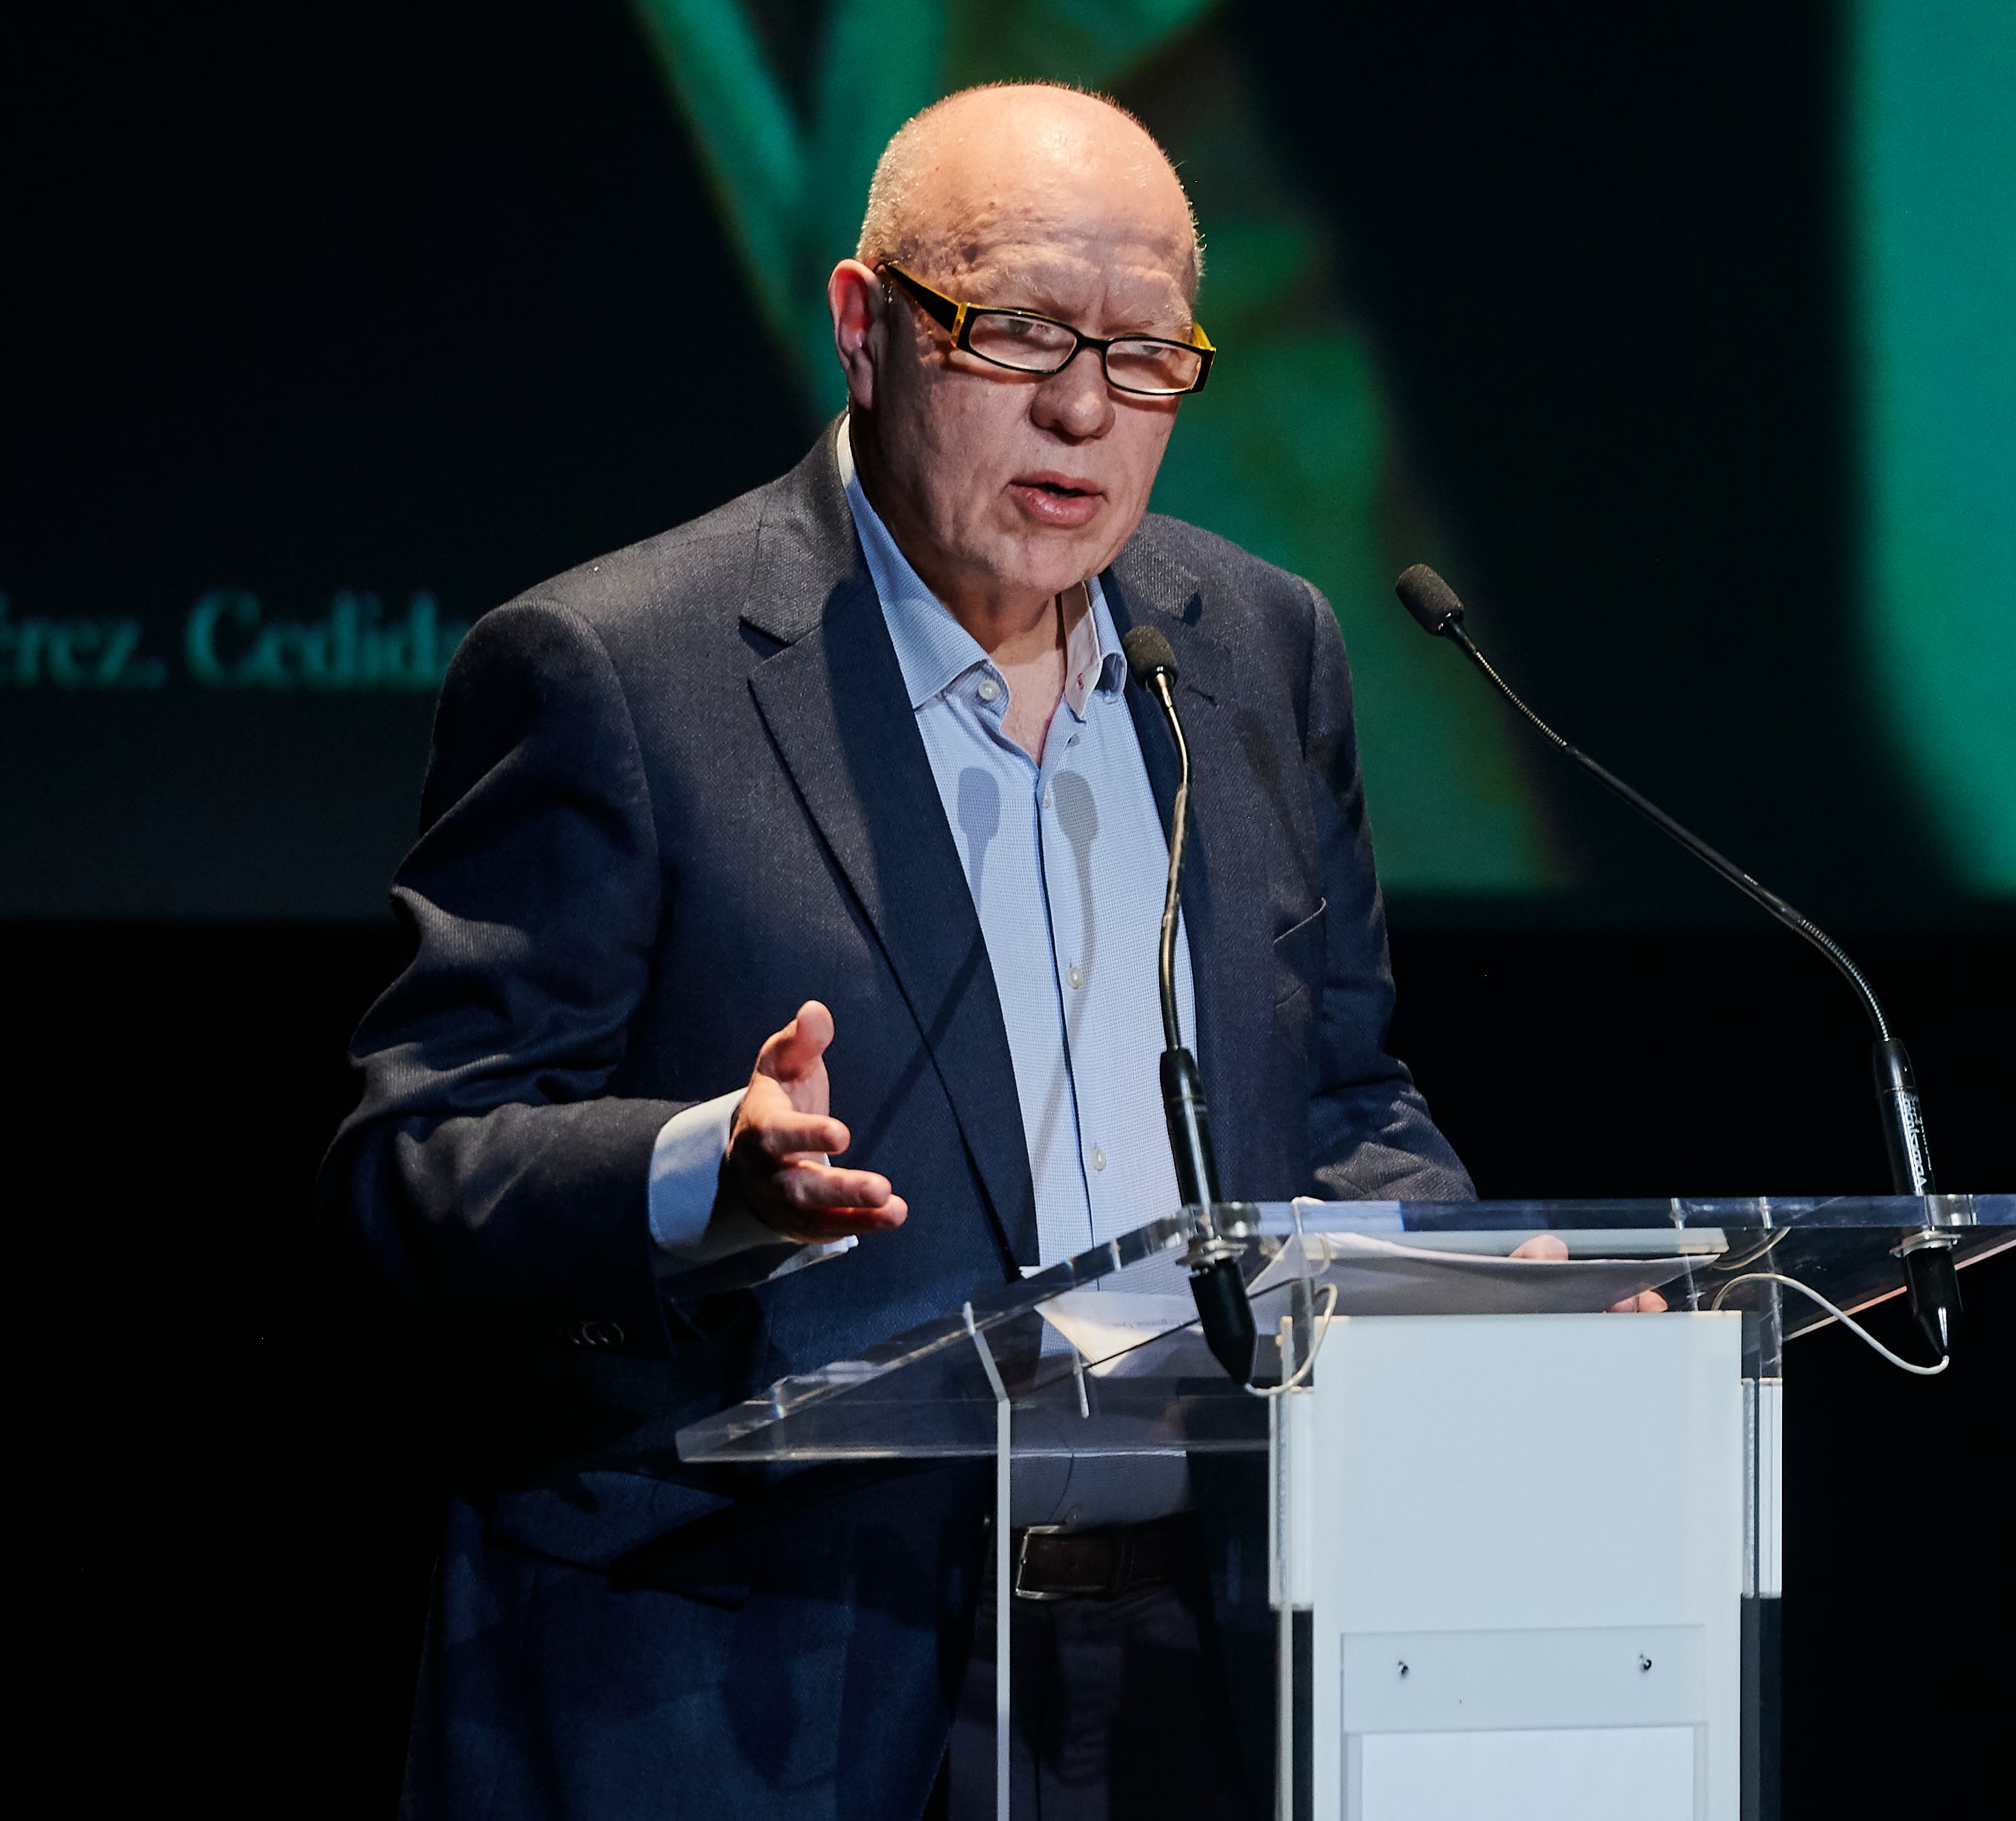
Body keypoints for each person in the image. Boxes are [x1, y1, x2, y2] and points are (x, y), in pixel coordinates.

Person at [321, 82, 1468, 1819]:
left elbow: (1337, 1093)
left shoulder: (1254, 645)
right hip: (762, 1675)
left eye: (1146, 353)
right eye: (1013, 331)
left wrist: (1494, 1294)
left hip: (1183, 1659)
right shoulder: (613, 667)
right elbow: (416, 1158)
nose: (1083, 406)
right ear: (864, 325)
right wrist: (707, 1169)